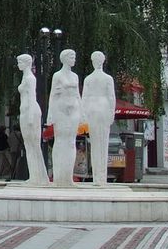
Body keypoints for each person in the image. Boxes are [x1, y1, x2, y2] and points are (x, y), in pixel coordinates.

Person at [46, 49, 82, 187]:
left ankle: (68, 176)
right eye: (72, 57)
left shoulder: (75, 76)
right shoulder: (57, 75)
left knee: (71, 142)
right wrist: (50, 114)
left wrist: (82, 112)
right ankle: (58, 175)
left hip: (74, 110)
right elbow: (52, 95)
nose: (74, 59)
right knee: (60, 141)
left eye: (74, 56)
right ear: (65, 58)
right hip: (60, 110)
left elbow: (78, 94)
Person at [82, 50, 116, 186]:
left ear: (92, 61)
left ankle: (98, 177)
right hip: (102, 110)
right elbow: (111, 97)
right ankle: (101, 177)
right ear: (103, 61)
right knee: (103, 144)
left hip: (92, 111)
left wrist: (84, 115)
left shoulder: (88, 79)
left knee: (95, 145)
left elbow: (84, 98)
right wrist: (111, 114)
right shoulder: (108, 79)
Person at [16, 54, 49, 186]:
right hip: (26, 112)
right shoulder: (26, 77)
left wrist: (30, 117)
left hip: (30, 112)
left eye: (20, 62)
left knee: (33, 145)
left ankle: (38, 176)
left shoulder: (30, 78)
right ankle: (37, 175)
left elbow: (31, 97)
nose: (18, 64)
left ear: (26, 63)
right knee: (30, 146)